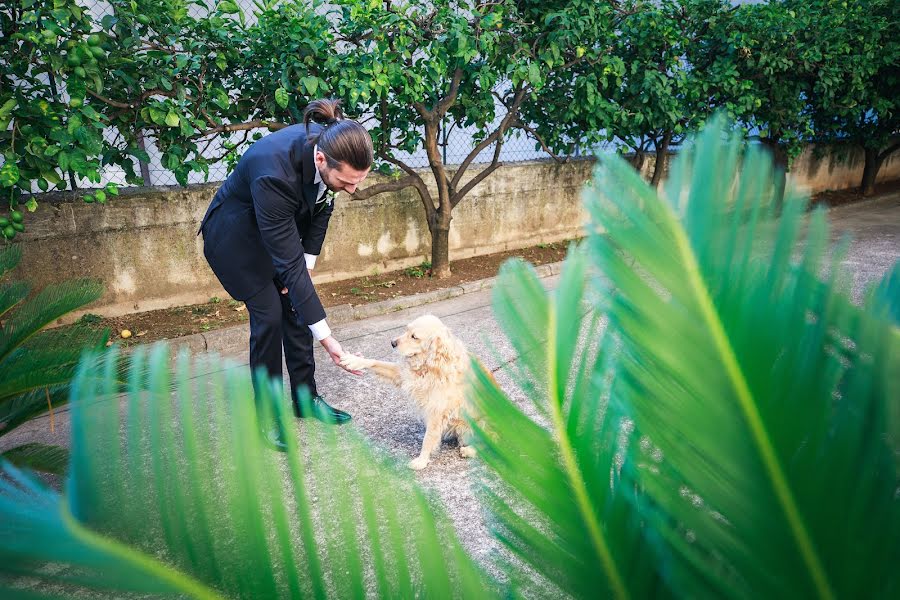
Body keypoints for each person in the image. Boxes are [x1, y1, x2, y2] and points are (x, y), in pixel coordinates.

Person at [199, 98, 371, 449]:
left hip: (279, 230)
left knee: (295, 307)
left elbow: (321, 209)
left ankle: (305, 400)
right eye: (347, 181)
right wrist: (329, 341)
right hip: (237, 243)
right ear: (321, 160)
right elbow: (287, 265)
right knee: (270, 317)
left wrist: (307, 266)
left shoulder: (335, 149)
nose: (353, 189)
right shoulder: (273, 172)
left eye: (357, 181)